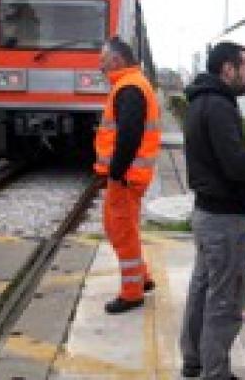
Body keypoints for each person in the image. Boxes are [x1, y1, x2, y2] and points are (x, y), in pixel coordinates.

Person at [180, 41, 245, 379]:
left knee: (202, 291)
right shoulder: (220, 106)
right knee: (226, 302)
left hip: (206, 215)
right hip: (224, 221)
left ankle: (194, 361)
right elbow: (236, 167)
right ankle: (215, 373)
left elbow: (221, 160)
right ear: (227, 69)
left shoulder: (198, 101)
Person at [94, 36, 161, 314]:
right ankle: (141, 278)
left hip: (126, 176)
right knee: (123, 228)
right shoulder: (131, 84)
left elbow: (129, 136)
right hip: (131, 175)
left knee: (120, 230)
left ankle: (132, 293)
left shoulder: (129, 87)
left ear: (117, 60)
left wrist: (116, 172)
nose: (100, 64)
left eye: (103, 59)